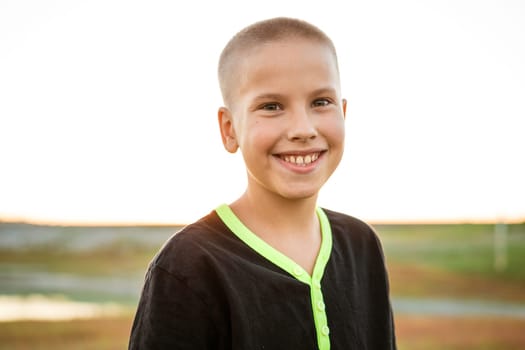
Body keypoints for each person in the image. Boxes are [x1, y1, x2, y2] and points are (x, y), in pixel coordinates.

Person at [128, 17, 396, 350]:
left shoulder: (361, 243)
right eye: (271, 106)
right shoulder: (190, 265)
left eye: (321, 102)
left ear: (343, 112)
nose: (303, 128)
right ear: (229, 129)